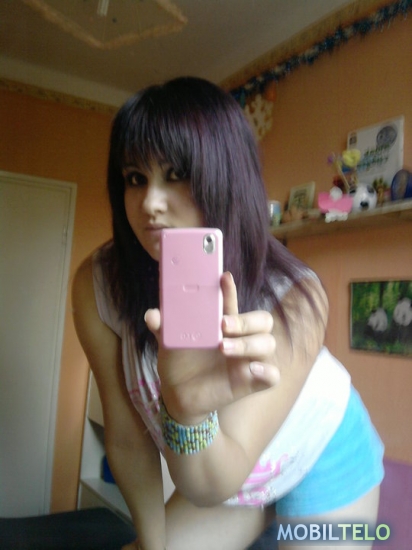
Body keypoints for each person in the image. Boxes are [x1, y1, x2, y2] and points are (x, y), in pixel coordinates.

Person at [72, 77, 384, 550]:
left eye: (176, 173)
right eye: (135, 178)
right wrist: (152, 544)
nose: (150, 203)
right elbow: (128, 439)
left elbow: (220, 476)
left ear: (226, 176)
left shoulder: (296, 297)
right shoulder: (100, 285)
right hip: (224, 475)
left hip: (324, 455)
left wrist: (187, 411)